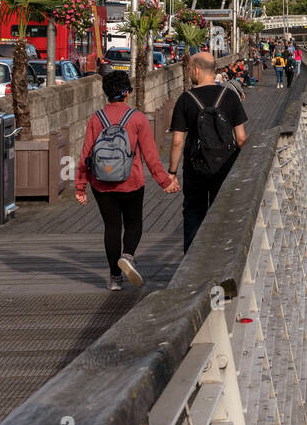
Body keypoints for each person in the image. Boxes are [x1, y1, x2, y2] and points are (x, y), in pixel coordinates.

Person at [74, 69, 180, 290]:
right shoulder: (137, 118)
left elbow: (86, 154)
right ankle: (128, 257)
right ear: (127, 93)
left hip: (101, 182)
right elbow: (150, 156)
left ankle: (114, 278)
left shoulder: (96, 118)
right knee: (133, 223)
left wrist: (80, 186)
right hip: (131, 181)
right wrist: (165, 181)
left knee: (111, 227)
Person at [170, 52, 248, 253]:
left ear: (196, 69)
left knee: (194, 212)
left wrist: (171, 173)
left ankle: (191, 262)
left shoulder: (186, 99)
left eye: (189, 69)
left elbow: (178, 141)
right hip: (224, 166)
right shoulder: (230, 95)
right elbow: (241, 138)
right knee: (221, 213)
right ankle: (219, 259)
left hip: (195, 167)